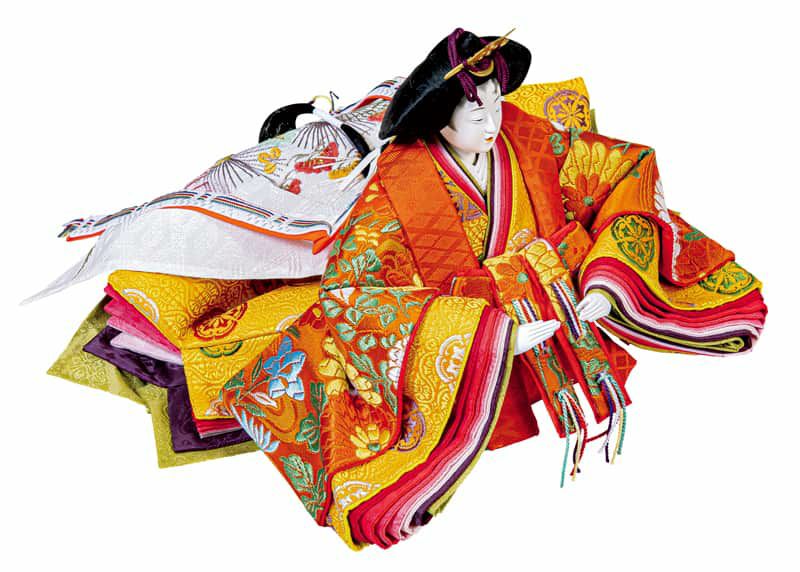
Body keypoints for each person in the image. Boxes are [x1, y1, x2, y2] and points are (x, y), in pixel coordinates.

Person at [45, 28, 767, 550]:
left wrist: (607, 283)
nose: (493, 120)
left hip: (565, 312)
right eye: (475, 110)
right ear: (437, 118)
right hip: (490, 326)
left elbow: (624, 166)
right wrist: (491, 335)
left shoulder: (528, 135)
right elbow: (358, 295)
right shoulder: (395, 186)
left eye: (497, 101)